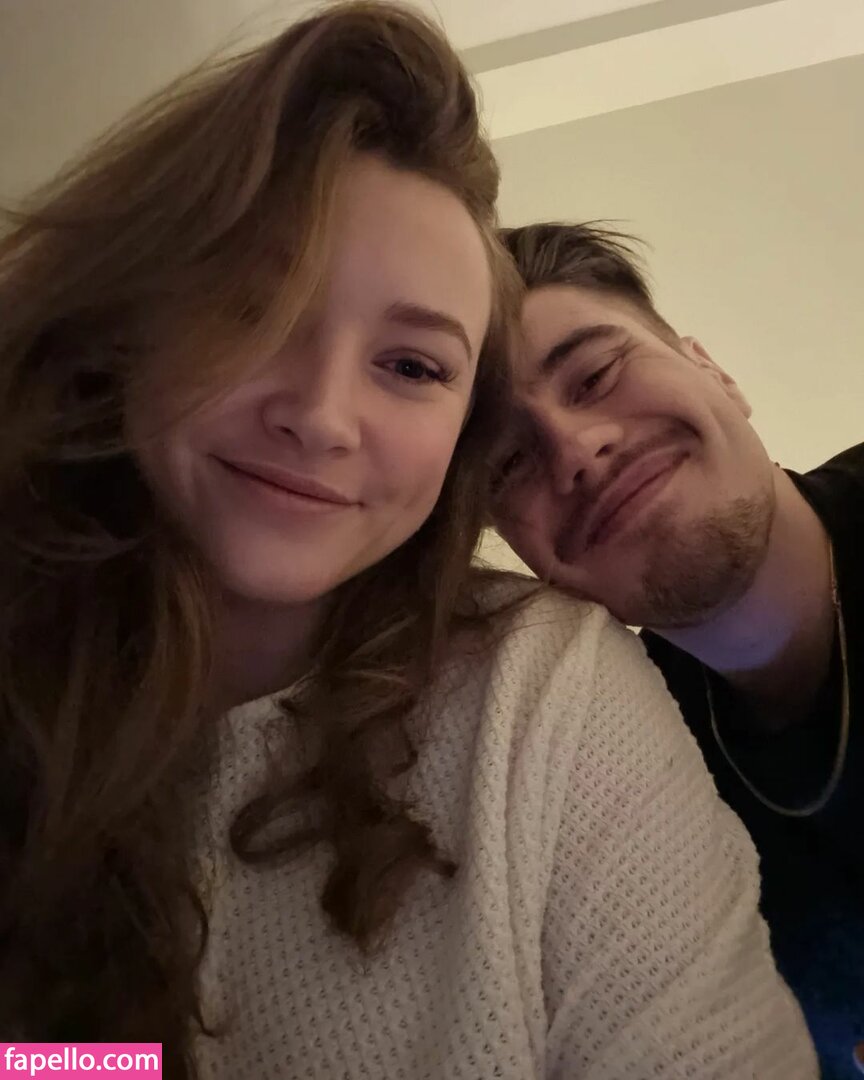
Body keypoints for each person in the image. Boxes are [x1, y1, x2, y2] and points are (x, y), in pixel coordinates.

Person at [0, 8, 816, 1077]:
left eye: (413, 366)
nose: (323, 416)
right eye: (255, 309)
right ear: (130, 328)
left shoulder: (541, 702)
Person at [494, 220, 863, 1078]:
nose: (575, 449)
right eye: (506, 464)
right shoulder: (608, 761)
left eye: (596, 375)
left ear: (714, 371)